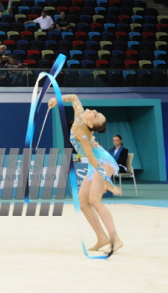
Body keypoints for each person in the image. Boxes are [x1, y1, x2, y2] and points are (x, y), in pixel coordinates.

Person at [49, 94, 123, 253]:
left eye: (96, 115)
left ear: (90, 123)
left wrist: (107, 181)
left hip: (102, 162)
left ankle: (115, 239)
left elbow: (91, 158)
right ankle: (102, 237)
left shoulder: (83, 134)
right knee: (83, 202)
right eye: (96, 112)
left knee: (94, 200)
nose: (94, 110)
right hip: (94, 163)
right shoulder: (80, 116)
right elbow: (74, 98)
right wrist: (57, 99)